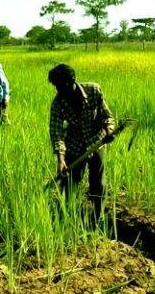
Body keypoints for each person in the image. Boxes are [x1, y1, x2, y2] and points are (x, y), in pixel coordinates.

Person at [48, 63, 115, 223]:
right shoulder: (58, 104)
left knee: (98, 182)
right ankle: (65, 218)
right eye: (55, 86)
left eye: (60, 86)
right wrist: (61, 159)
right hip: (74, 145)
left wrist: (109, 130)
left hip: (96, 141)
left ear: (71, 82)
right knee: (69, 182)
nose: (58, 91)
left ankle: (97, 218)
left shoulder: (93, 90)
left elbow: (107, 116)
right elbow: (56, 132)